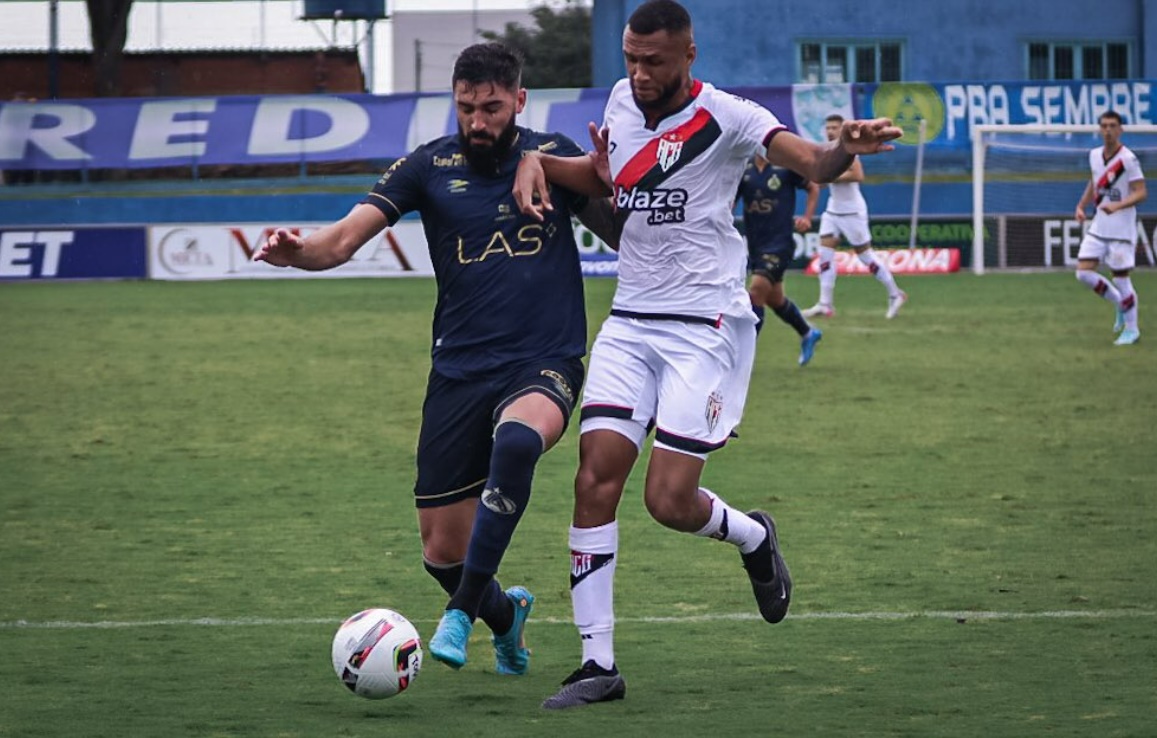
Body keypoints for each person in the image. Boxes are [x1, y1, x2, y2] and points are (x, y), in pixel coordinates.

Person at [512, 0, 901, 709]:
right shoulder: (622, 101)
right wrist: (540, 161)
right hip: (629, 321)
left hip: (703, 326)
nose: (638, 73)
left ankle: (753, 536)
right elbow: (610, 182)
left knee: (667, 500)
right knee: (593, 478)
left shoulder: (731, 116)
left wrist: (847, 145)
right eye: (630, 58)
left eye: (653, 61)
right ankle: (596, 663)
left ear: (688, 54)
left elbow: (813, 158)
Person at [254, 42, 616, 676]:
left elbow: (625, 235)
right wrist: (297, 251)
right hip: (458, 372)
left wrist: (611, 185)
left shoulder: (555, 158)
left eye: (493, 108)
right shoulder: (426, 167)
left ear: (520, 101)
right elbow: (340, 241)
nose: (478, 122)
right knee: (441, 552)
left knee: (518, 441)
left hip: (543, 359)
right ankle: (506, 617)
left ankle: (461, 615)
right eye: (467, 107)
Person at [801, 113, 907, 320]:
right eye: (828, 127)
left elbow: (857, 175)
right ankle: (825, 304)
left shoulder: (850, 151)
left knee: (865, 256)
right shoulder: (827, 151)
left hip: (852, 212)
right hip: (833, 210)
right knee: (825, 255)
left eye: (834, 128)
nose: (830, 131)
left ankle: (895, 294)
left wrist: (830, 176)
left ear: (842, 130)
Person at [735, 153, 823, 365]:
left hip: (780, 243)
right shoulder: (743, 169)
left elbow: (813, 187)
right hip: (755, 244)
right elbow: (730, 201)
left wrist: (807, 218)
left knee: (756, 292)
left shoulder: (785, 166)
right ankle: (808, 333)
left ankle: (741, 358)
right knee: (774, 299)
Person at [1074, 109, 1147, 346]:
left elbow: (1141, 192)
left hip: (1121, 230)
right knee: (1083, 272)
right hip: (1099, 226)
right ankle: (1118, 303)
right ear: (1099, 129)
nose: (1108, 130)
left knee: (1120, 278)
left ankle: (1132, 329)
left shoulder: (1128, 159)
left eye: (1112, 126)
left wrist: (1119, 205)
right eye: (1104, 126)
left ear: (1120, 129)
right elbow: (1095, 181)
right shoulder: (1094, 155)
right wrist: (1081, 205)